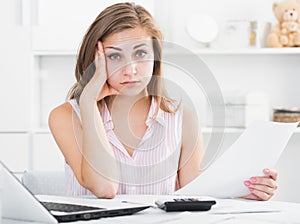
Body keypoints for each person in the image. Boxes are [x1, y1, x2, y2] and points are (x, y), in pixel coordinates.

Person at [48, 2, 278, 200]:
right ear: (95, 59)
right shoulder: (66, 117)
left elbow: (195, 193)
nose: (131, 70)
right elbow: (104, 187)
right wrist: (88, 101)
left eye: (140, 54)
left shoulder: (182, 118)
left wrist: (245, 192)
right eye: (115, 56)